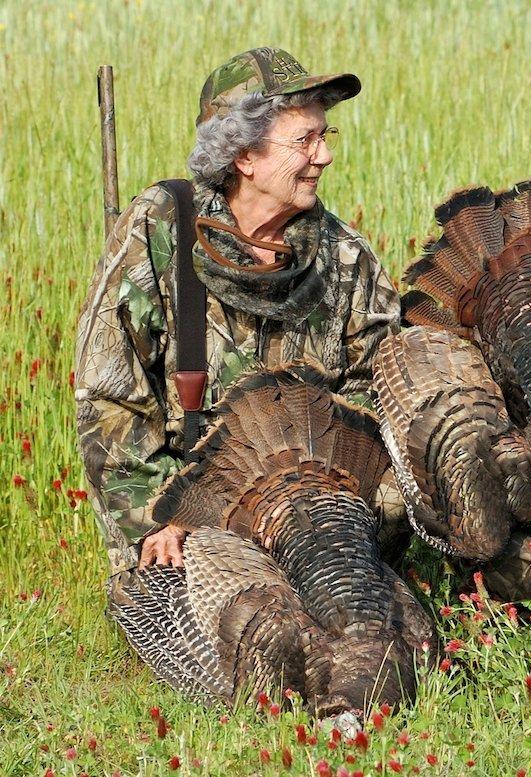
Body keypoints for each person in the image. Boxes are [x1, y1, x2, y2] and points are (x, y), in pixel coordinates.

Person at [75, 48, 400, 580]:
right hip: (185, 535)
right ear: (245, 156)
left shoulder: (345, 257)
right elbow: (110, 400)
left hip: (321, 528)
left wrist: (340, 511)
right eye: (305, 141)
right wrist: (161, 517)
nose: (324, 157)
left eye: (326, 136)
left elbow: (377, 395)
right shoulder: (159, 232)